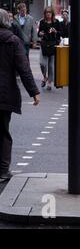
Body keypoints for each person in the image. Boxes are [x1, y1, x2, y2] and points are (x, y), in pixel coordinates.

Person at [0, 9, 40, 182]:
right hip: (5, 93)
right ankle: (2, 170)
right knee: (3, 132)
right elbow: (23, 69)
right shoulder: (13, 41)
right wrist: (34, 92)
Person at [38, 7, 61, 90]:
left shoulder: (56, 22)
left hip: (53, 44)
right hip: (44, 45)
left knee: (51, 65)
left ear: (52, 13)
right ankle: (45, 77)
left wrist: (55, 31)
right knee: (42, 63)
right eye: (47, 12)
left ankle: (50, 82)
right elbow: (39, 33)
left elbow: (60, 33)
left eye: (50, 12)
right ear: (44, 13)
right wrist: (40, 33)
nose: (48, 14)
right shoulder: (42, 22)